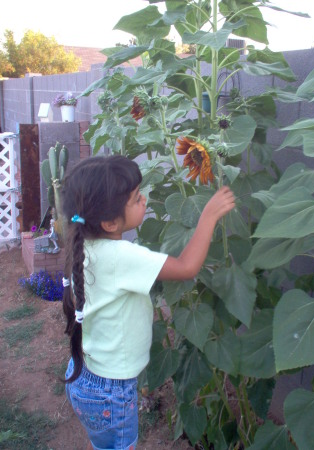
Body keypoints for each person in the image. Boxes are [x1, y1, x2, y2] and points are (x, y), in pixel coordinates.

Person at [62, 155, 235, 450]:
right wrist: (208, 216)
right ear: (109, 221)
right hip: (112, 391)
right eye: (136, 198)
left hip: (83, 376)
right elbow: (186, 267)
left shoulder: (82, 246)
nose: (144, 199)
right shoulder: (121, 257)